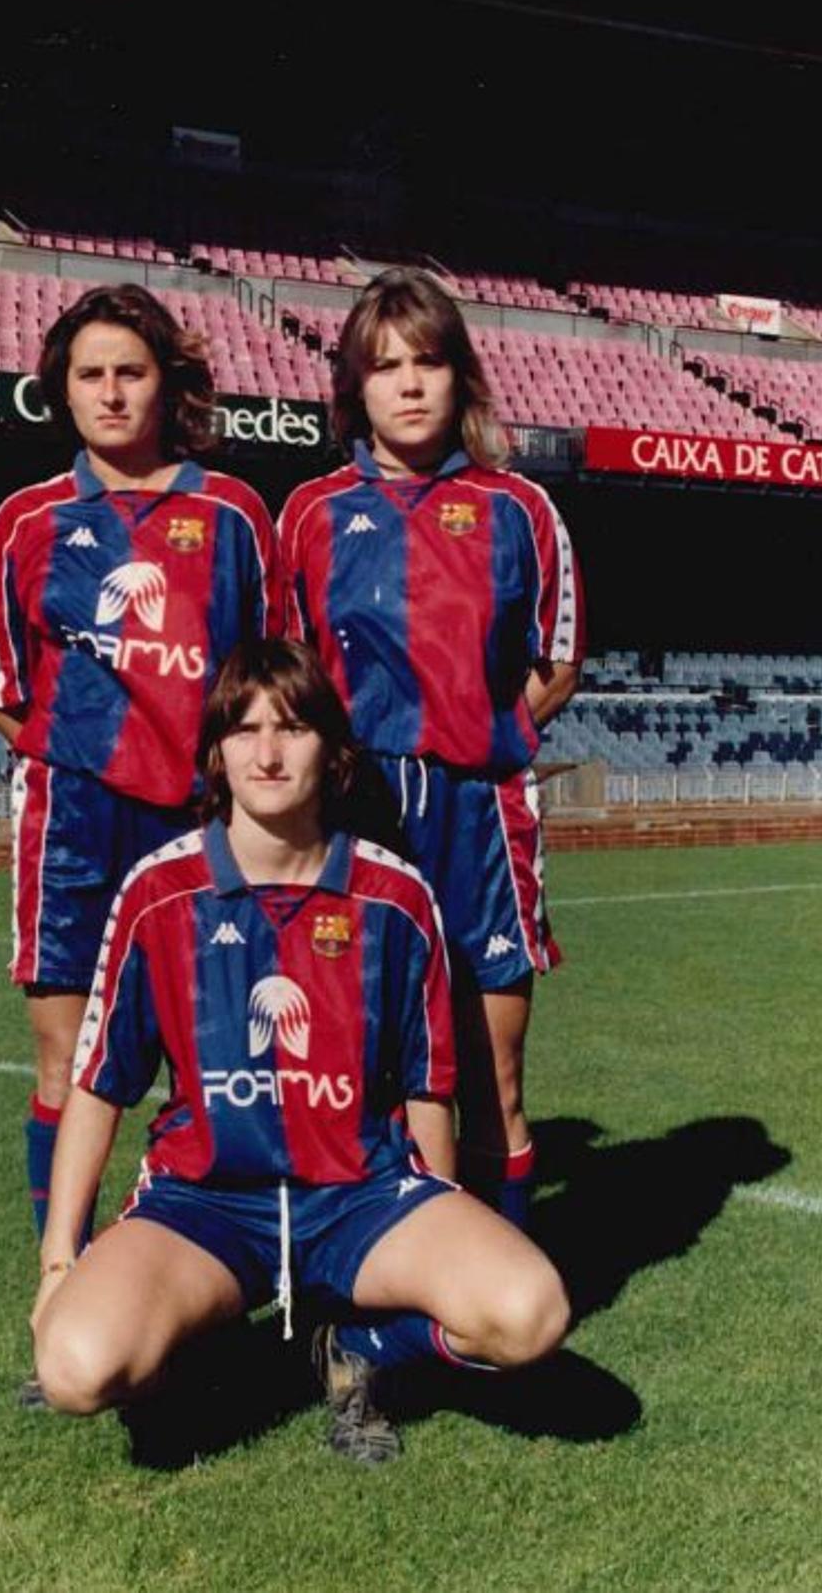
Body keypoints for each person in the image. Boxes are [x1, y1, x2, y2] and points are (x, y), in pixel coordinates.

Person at [31, 639, 569, 1463]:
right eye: (244, 730)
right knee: (76, 1368)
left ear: (334, 749)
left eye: (293, 728)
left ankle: (363, 1343)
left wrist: (442, 1214)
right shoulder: (158, 894)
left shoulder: (396, 898)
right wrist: (58, 1259)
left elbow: (429, 1088)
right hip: (205, 1206)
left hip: (360, 1199)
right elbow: (98, 1087)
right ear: (215, 752)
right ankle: (210, 1341)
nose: (269, 753)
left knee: (533, 1313)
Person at [0, 284, 281, 1293]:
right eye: (90, 374)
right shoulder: (25, 521)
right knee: (68, 1068)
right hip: (74, 826)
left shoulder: (233, 513)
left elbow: (269, 674)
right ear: (61, 388)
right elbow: (7, 692)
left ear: (166, 384)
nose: (110, 393)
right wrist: (82, 758)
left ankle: (196, 1274)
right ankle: (62, 1282)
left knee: (211, 1065)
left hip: (199, 826)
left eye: (130, 372)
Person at [277, 269, 585, 1228]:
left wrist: (489, 736)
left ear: (461, 377)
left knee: (492, 1077)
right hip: (355, 812)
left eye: (430, 361)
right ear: (354, 389)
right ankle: (365, 1312)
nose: (409, 384)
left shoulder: (519, 509)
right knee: (360, 1073)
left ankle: (496, 1301)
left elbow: (559, 657)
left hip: (478, 814)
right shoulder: (311, 513)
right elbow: (287, 676)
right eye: (386, 366)